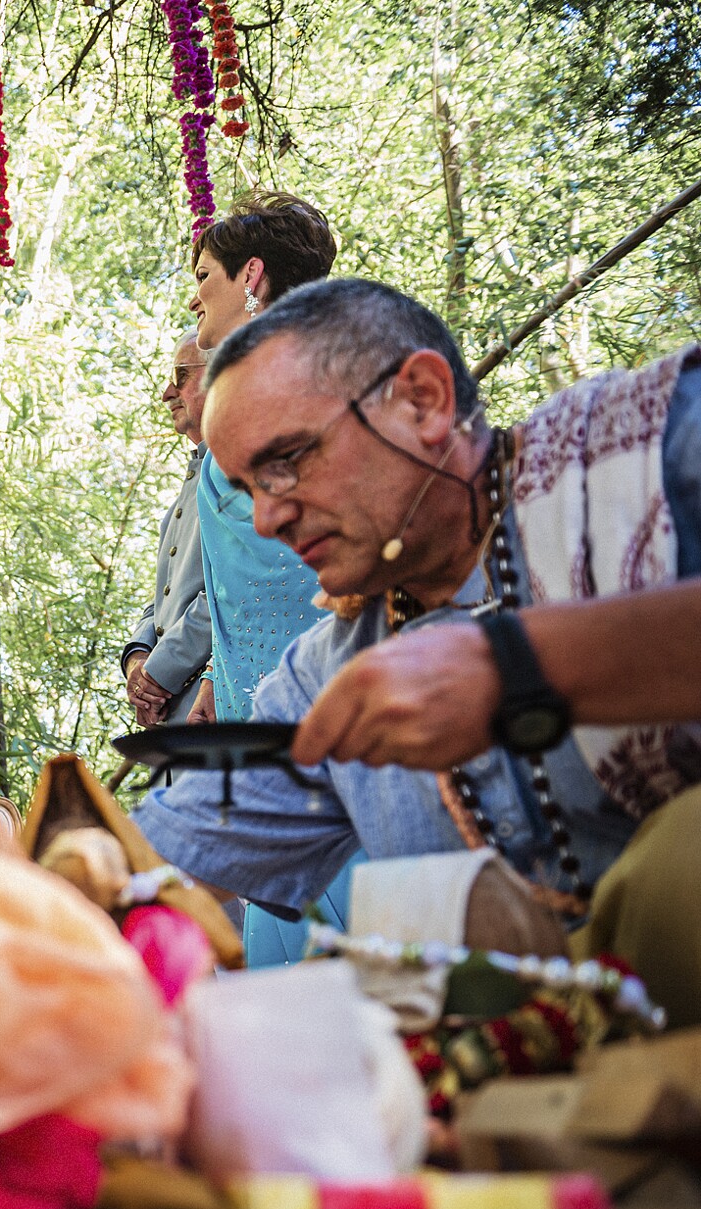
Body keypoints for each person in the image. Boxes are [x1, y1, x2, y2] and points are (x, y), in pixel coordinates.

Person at [133, 278, 701, 1023]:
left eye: (285, 462)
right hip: (543, 1104)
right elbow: (163, 856)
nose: (266, 518)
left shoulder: (656, 449)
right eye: (245, 488)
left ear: (425, 400)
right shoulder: (332, 675)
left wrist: (522, 667)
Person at [185, 191, 337, 726]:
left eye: (203, 276)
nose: (193, 299)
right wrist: (211, 674)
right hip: (238, 692)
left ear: (250, 275)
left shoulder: (319, 384)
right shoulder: (239, 390)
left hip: (322, 687)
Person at [122, 333, 212, 730]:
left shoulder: (242, 474)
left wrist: (159, 673)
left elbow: (233, 594)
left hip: (214, 712)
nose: (166, 392)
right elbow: (163, 598)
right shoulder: (194, 480)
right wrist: (138, 659)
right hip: (172, 718)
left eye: (181, 375)